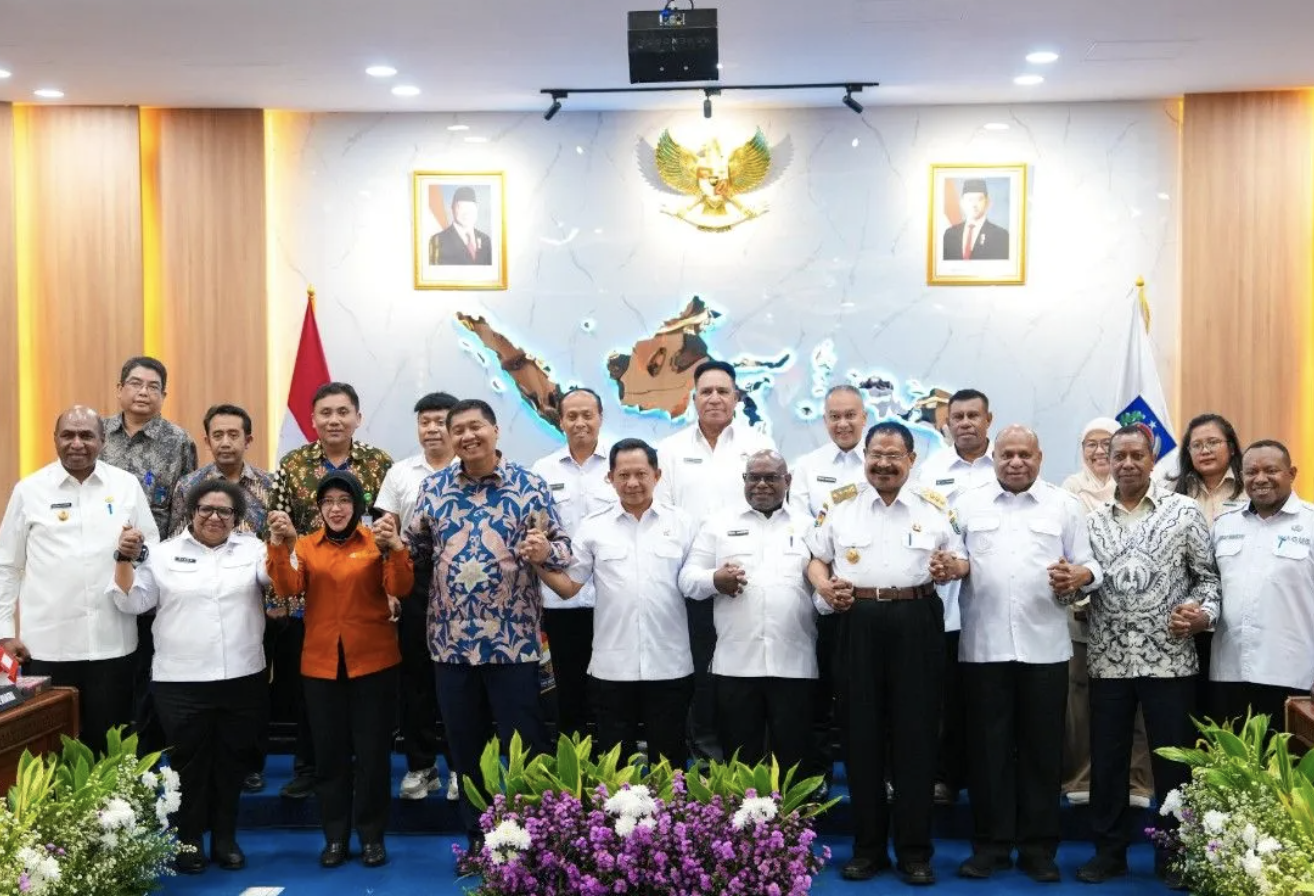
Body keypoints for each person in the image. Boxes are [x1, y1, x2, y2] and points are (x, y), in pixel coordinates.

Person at [806, 420, 966, 886]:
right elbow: (815, 558)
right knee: (861, 738)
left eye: (894, 456)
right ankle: (868, 849)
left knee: (917, 737)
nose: (883, 464)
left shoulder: (934, 506)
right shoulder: (841, 505)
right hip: (856, 620)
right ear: (865, 457)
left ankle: (915, 852)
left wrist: (952, 567)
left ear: (911, 460)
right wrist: (824, 586)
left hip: (917, 620)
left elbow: (962, 559)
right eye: (876, 454)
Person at [405, 398, 571, 849]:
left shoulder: (529, 485)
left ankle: (533, 838)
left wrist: (546, 552)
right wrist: (390, 545)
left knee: (526, 744)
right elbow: (414, 551)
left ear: (496, 431)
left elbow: (563, 550)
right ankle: (479, 840)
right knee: (466, 748)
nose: (467, 436)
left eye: (475, 426)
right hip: (450, 643)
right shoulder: (434, 488)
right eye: (458, 429)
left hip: (513, 640)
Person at [953, 426, 1100, 883]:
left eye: (1024, 454)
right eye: (1007, 454)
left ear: (1040, 457)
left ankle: (1038, 850)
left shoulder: (1065, 505)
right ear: (994, 457)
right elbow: (953, 558)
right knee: (987, 753)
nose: (1015, 462)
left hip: (1045, 648)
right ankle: (991, 847)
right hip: (983, 647)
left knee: (1042, 752)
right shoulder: (967, 504)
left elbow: (1091, 564)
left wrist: (1079, 576)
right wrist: (952, 565)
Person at [1077, 424, 1220, 889]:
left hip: (1170, 659)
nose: (1127, 464)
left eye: (1136, 455)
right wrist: (1070, 589)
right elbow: (1078, 587)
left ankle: (1174, 853)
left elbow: (1208, 579)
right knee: (1108, 760)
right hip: (1109, 659)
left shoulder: (1183, 512)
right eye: (1118, 456)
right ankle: (1109, 853)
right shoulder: (1092, 521)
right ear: (1108, 461)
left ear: (1152, 459)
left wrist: (1201, 613)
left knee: (1174, 763)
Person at [109, 480, 268, 874]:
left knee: (232, 764)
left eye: (225, 511)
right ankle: (188, 840)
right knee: (187, 767)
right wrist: (123, 558)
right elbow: (133, 601)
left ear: (236, 517)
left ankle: (226, 840)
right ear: (191, 512)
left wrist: (284, 544)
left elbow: (276, 580)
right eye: (206, 509)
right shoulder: (163, 554)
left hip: (242, 676)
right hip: (180, 681)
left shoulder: (253, 549)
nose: (215, 517)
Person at [267, 472, 413, 870]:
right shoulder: (306, 546)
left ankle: (372, 838)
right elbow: (286, 588)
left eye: (344, 501)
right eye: (328, 502)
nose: (336, 509)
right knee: (329, 756)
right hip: (321, 665)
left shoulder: (375, 542)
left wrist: (396, 547)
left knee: (372, 756)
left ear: (357, 506)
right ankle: (335, 837)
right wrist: (278, 545)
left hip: (374, 663)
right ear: (319, 508)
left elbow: (401, 588)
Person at [0, 406, 160, 756]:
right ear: (54, 439)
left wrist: (137, 550)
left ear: (102, 441)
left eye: (86, 435)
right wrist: (4, 632)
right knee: (49, 751)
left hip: (113, 642)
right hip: (48, 646)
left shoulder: (125, 485)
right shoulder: (29, 490)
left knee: (109, 749)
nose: (77, 443)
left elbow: (153, 549)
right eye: (68, 435)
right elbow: (7, 566)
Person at [534, 438, 697, 768]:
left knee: (670, 763)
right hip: (612, 667)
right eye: (623, 475)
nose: (632, 482)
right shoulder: (594, 527)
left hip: (670, 662)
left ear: (657, 475)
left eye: (641, 474)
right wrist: (538, 561)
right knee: (614, 765)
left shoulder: (683, 524)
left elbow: (696, 583)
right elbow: (569, 588)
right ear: (610, 478)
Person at [269, 381, 392, 800]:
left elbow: (390, 526)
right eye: (325, 412)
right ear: (312, 419)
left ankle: (362, 767)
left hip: (363, 594)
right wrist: (279, 597)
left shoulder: (379, 462)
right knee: (312, 693)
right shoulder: (293, 464)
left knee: (363, 692)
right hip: (308, 593)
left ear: (358, 417)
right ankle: (309, 768)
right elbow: (278, 526)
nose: (334, 420)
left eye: (343, 412)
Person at [655, 359, 776, 760]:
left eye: (723, 391)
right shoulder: (670, 450)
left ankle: (748, 758)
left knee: (743, 675)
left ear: (736, 398)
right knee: (700, 671)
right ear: (693, 398)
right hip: (690, 582)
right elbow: (663, 516)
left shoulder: (759, 446)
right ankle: (706, 758)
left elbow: (773, 508)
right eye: (706, 391)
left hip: (747, 583)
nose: (714, 399)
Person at [681, 450, 824, 776]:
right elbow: (687, 580)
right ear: (743, 481)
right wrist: (715, 580)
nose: (761, 484)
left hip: (795, 664)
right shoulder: (718, 524)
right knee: (740, 764)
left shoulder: (809, 527)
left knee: (794, 764)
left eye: (770, 477)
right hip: (736, 665)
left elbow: (824, 592)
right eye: (753, 478)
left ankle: (793, 811)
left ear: (788, 481)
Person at [169, 404, 275, 793]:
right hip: (202, 603)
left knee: (253, 688)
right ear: (207, 440)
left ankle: (250, 764)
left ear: (249, 439)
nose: (226, 442)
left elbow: (279, 545)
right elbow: (174, 540)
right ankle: (204, 760)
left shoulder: (270, 484)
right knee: (206, 688)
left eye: (234, 434)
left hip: (254, 604)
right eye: (218, 435)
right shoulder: (189, 486)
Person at [100, 356, 198, 754]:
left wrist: (169, 570)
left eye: (153, 386)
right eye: (135, 384)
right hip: (99, 566)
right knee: (107, 661)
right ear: (119, 389)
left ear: (164, 394)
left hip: (154, 566)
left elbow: (184, 512)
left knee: (147, 659)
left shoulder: (179, 442)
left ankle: (147, 749)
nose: (143, 392)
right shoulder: (97, 434)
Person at [1060, 418, 1155, 809]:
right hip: (1083, 617)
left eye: (1106, 444)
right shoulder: (1067, 493)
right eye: (1091, 444)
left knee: (1139, 704)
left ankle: (1138, 781)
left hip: (1140, 623)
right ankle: (1081, 777)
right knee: (1081, 703)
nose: (1099, 452)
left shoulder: (1154, 497)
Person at [374, 391, 460, 802]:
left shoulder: (472, 468)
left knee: (460, 679)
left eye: (440, 421)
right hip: (414, 579)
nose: (432, 429)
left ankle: (462, 767)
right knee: (416, 678)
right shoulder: (400, 473)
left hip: (464, 582)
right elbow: (384, 534)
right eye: (425, 422)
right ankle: (421, 766)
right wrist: (388, 588)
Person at [915, 387, 996, 804]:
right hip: (946, 604)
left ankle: (989, 780)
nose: (965, 423)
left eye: (972, 416)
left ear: (988, 420)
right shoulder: (930, 470)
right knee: (946, 697)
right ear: (946, 423)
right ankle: (945, 777)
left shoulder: (1007, 463)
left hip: (994, 605)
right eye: (957, 417)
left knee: (988, 699)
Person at [789, 384, 869, 787]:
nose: (843, 423)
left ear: (864, 417)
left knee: (869, 697)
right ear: (824, 420)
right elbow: (803, 526)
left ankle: (873, 775)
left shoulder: (884, 459)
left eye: (850, 415)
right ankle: (817, 776)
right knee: (817, 694)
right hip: (822, 596)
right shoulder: (808, 466)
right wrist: (826, 580)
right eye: (835, 416)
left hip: (873, 600)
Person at [529, 387, 615, 741]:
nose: (580, 423)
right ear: (561, 421)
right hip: (560, 597)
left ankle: (611, 757)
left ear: (600, 418)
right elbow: (536, 530)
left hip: (612, 597)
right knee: (567, 687)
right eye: (572, 416)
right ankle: (572, 760)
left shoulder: (619, 465)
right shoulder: (542, 469)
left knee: (610, 687)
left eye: (587, 415)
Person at [1211, 440, 1314, 731]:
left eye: (1271, 470)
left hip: (1293, 675)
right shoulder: (1224, 525)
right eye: (1251, 472)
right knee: (1232, 758)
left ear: (1292, 473)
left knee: (1288, 759)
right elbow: (1208, 586)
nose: (1260, 478)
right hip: (1230, 672)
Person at [1165, 413, 1246, 715]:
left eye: (1213, 442)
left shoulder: (1251, 487)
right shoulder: (1171, 492)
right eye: (1196, 445)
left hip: (1239, 612)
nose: (1205, 450)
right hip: (1188, 613)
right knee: (1191, 707)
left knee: (1231, 706)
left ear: (1231, 447)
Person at [942, 179, 1009, 261]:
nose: (974, 205)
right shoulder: (950, 234)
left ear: (987, 202)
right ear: (962, 203)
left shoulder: (1001, 235)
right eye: (970, 199)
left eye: (979, 199)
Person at [427, 186, 492, 265]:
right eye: (460, 207)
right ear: (452, 209)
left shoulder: (485, 240)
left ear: (476, 209)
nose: (466, 212)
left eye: (470, 206)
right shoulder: (438, 241)